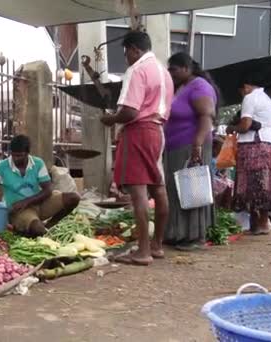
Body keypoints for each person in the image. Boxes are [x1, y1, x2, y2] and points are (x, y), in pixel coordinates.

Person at [99, 31, 174, 265]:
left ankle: (143, 251)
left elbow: (130, 111)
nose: (126, 59)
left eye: (126, 53)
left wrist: (110, 119)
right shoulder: (164, 73)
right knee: (158, 187)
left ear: (134, 49)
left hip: (139, 130)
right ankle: (157, 245)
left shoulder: (137, 70)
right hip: (157, 131)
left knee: (139, 190)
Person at [163, 52, 218, 251]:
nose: (171, 74)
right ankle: (177, 233)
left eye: (174, 70)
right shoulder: (183, 87)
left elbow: (206, 115)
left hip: (191, 145)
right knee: (176, 190)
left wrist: (197, 144)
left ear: (186, 68)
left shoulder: (200, 86)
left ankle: (194, 236)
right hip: (176, 146)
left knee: (192, 190)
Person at [0, 135, 80, 237]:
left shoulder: (37, 163)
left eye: (19, 155)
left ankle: (50, 226)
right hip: (19, 211)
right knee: (38, 229)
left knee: (73, 198)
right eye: (13, 155)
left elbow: (48, 190)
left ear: (27, 153)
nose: (15, 159)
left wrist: (26, 202)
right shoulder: (3, 167)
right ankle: (29, 228)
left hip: (40, 204)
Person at [226, 77, 271, 235]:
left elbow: (246, 124)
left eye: (241, 92)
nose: (242, 95)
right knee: (264, 183)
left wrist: (232, 128)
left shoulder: (250, 97)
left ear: (246, 87)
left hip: (253, 144)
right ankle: (263, 223)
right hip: (268, 143)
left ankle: (257, 224)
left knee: (250, 184)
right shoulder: (267, 100)